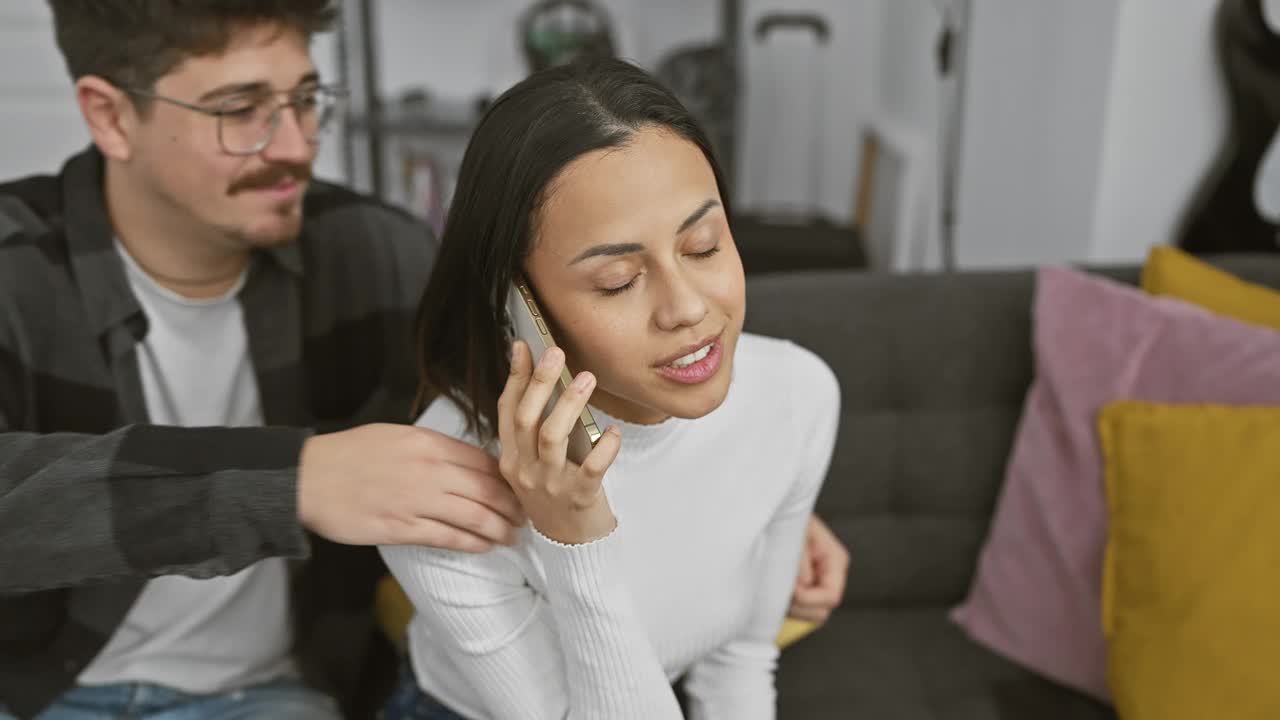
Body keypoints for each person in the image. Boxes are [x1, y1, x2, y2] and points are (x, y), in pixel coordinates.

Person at [0, 2, 527, 718]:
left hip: (277, 694)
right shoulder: (15, 268)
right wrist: (293, 480)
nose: (295, 144)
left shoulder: (378, 255)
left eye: (307, 99)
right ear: (111, 117)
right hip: (34, 691)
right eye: (241, 108)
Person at [379, 57, 842, 719]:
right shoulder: (439, 490)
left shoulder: (799, 397)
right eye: (619, 281)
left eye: (705, 245)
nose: (686, 308)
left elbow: (739, 666)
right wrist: (574, 535)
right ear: (518, 303)